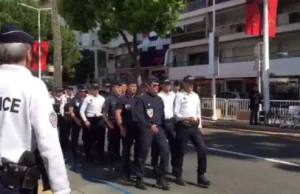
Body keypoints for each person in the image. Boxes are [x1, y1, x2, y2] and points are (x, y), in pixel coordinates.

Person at [0, 23, 70, 194]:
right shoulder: (33, 86)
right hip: (13, 184)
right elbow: (48, 143)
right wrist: (61, 189)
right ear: (28, 54)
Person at [173, 75, 211, 188]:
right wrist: (186, 118)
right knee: (180, 151)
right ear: (184, 83)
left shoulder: (196, 96)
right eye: (188, 83)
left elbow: (198, 112)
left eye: (192, 83)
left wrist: (200, 126)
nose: (191, 85)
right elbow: (176, 113)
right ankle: (178, 175)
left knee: (202, 148)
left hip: (194, 127)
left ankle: (201, 175)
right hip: (183, 126)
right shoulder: (179, 96)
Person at [135, 76, 170, 190]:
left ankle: (161, 177)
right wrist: (149, 126)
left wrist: (163, 130)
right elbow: (139, 116)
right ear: (148, 86)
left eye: (157, 85)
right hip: (147, 129)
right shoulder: (142, 99)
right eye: (154, 85)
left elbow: (162, 116)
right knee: (143, 154)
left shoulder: (159, 99)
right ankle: (139, 179)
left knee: (165, 151)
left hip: (159, 128)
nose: (156, 87)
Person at [151, 77, 176, 175]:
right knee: (157, 145)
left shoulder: (173, 95)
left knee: (173, 145)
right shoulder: (158, 96)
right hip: (161, 122)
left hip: (171, 121)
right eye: (165, 84)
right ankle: (155, 165)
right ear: (161, 85)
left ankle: (173, 167)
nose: (168, 86)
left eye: (169, 84)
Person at [115, 79, 139, 180]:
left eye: (135, 87)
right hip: (126, 128)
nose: (134, 88)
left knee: (138, 150)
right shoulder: (122, 99)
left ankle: (137, 170)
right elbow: (118, 114)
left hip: (137, 128)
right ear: (127, 87)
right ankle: (126, 172)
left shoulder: (139, 99)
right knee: (127, 151)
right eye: (132, 86)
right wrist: (121, 127)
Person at [80, 84, 106, 162]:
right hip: (90, 119)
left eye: (97, 89)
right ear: (91, 90)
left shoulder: (102, 98)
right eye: (94, 89)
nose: (95, 90)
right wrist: (85, 120)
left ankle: (100, 157)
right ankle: (88, 156)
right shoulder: (87, 99)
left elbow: (104, 109)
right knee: (88, 139)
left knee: (101, 139)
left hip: (99, 119)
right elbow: (82, 111)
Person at [103, 81, 122, 169]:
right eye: (117, 87)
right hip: (113, 124)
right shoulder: (109, 99)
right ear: (113, 89)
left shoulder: (123, 98)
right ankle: (111, 162)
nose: (119, 89)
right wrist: (108, 123)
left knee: (122, 144)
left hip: (122, 124)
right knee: (113, 144)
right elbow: (104, 113)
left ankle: (119, 160)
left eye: (120, 87)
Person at [67, 85, 86, 160]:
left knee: (86, 137)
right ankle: (74, 152)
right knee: (75, 137)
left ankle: (85, 150)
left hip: (85, 120)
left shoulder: (87, 99)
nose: (83, 93)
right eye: (81, 91)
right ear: (78, 91)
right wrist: (76, 120)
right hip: (76, 120)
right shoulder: (74, 99)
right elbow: (71, 111)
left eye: (84, 91)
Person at [59, 86, 75, 153]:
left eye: (71, 90)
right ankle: (64, 147)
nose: (70, 91)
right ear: (67, 90)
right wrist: (63, 116)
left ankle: (72, 147)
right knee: (65, 133)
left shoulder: (74, 97)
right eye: (69, 90)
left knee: (74, 134)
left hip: (73, 117)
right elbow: (61, 107)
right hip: (65, 117)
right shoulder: (63, 97)